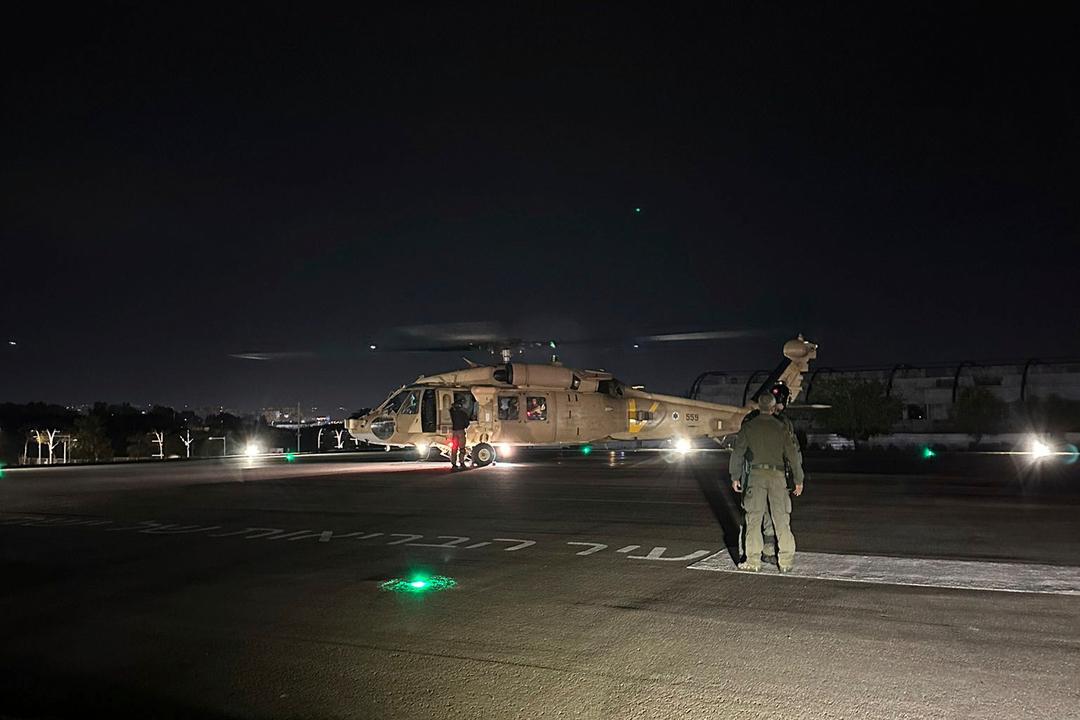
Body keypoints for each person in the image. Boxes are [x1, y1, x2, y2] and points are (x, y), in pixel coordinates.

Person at [729, 393, 805, 572]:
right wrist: (798, 480)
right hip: (778, 476)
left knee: (754, 519)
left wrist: (735, 476)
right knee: (782, 519)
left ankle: (753, 561)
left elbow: (738, 453)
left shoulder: (749, 427)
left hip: (756, 476)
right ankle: (786, 561)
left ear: (758, 407)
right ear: (772, 408)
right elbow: (793, 456)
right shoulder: (782, 428)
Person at [449, 397, 471, 471]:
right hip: (461, 432)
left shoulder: (451, 413)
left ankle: (454, 464)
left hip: (454, 432)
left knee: (454, 449)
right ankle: (462, 463)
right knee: (462, 448)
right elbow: (467, 423)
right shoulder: (463, 413)